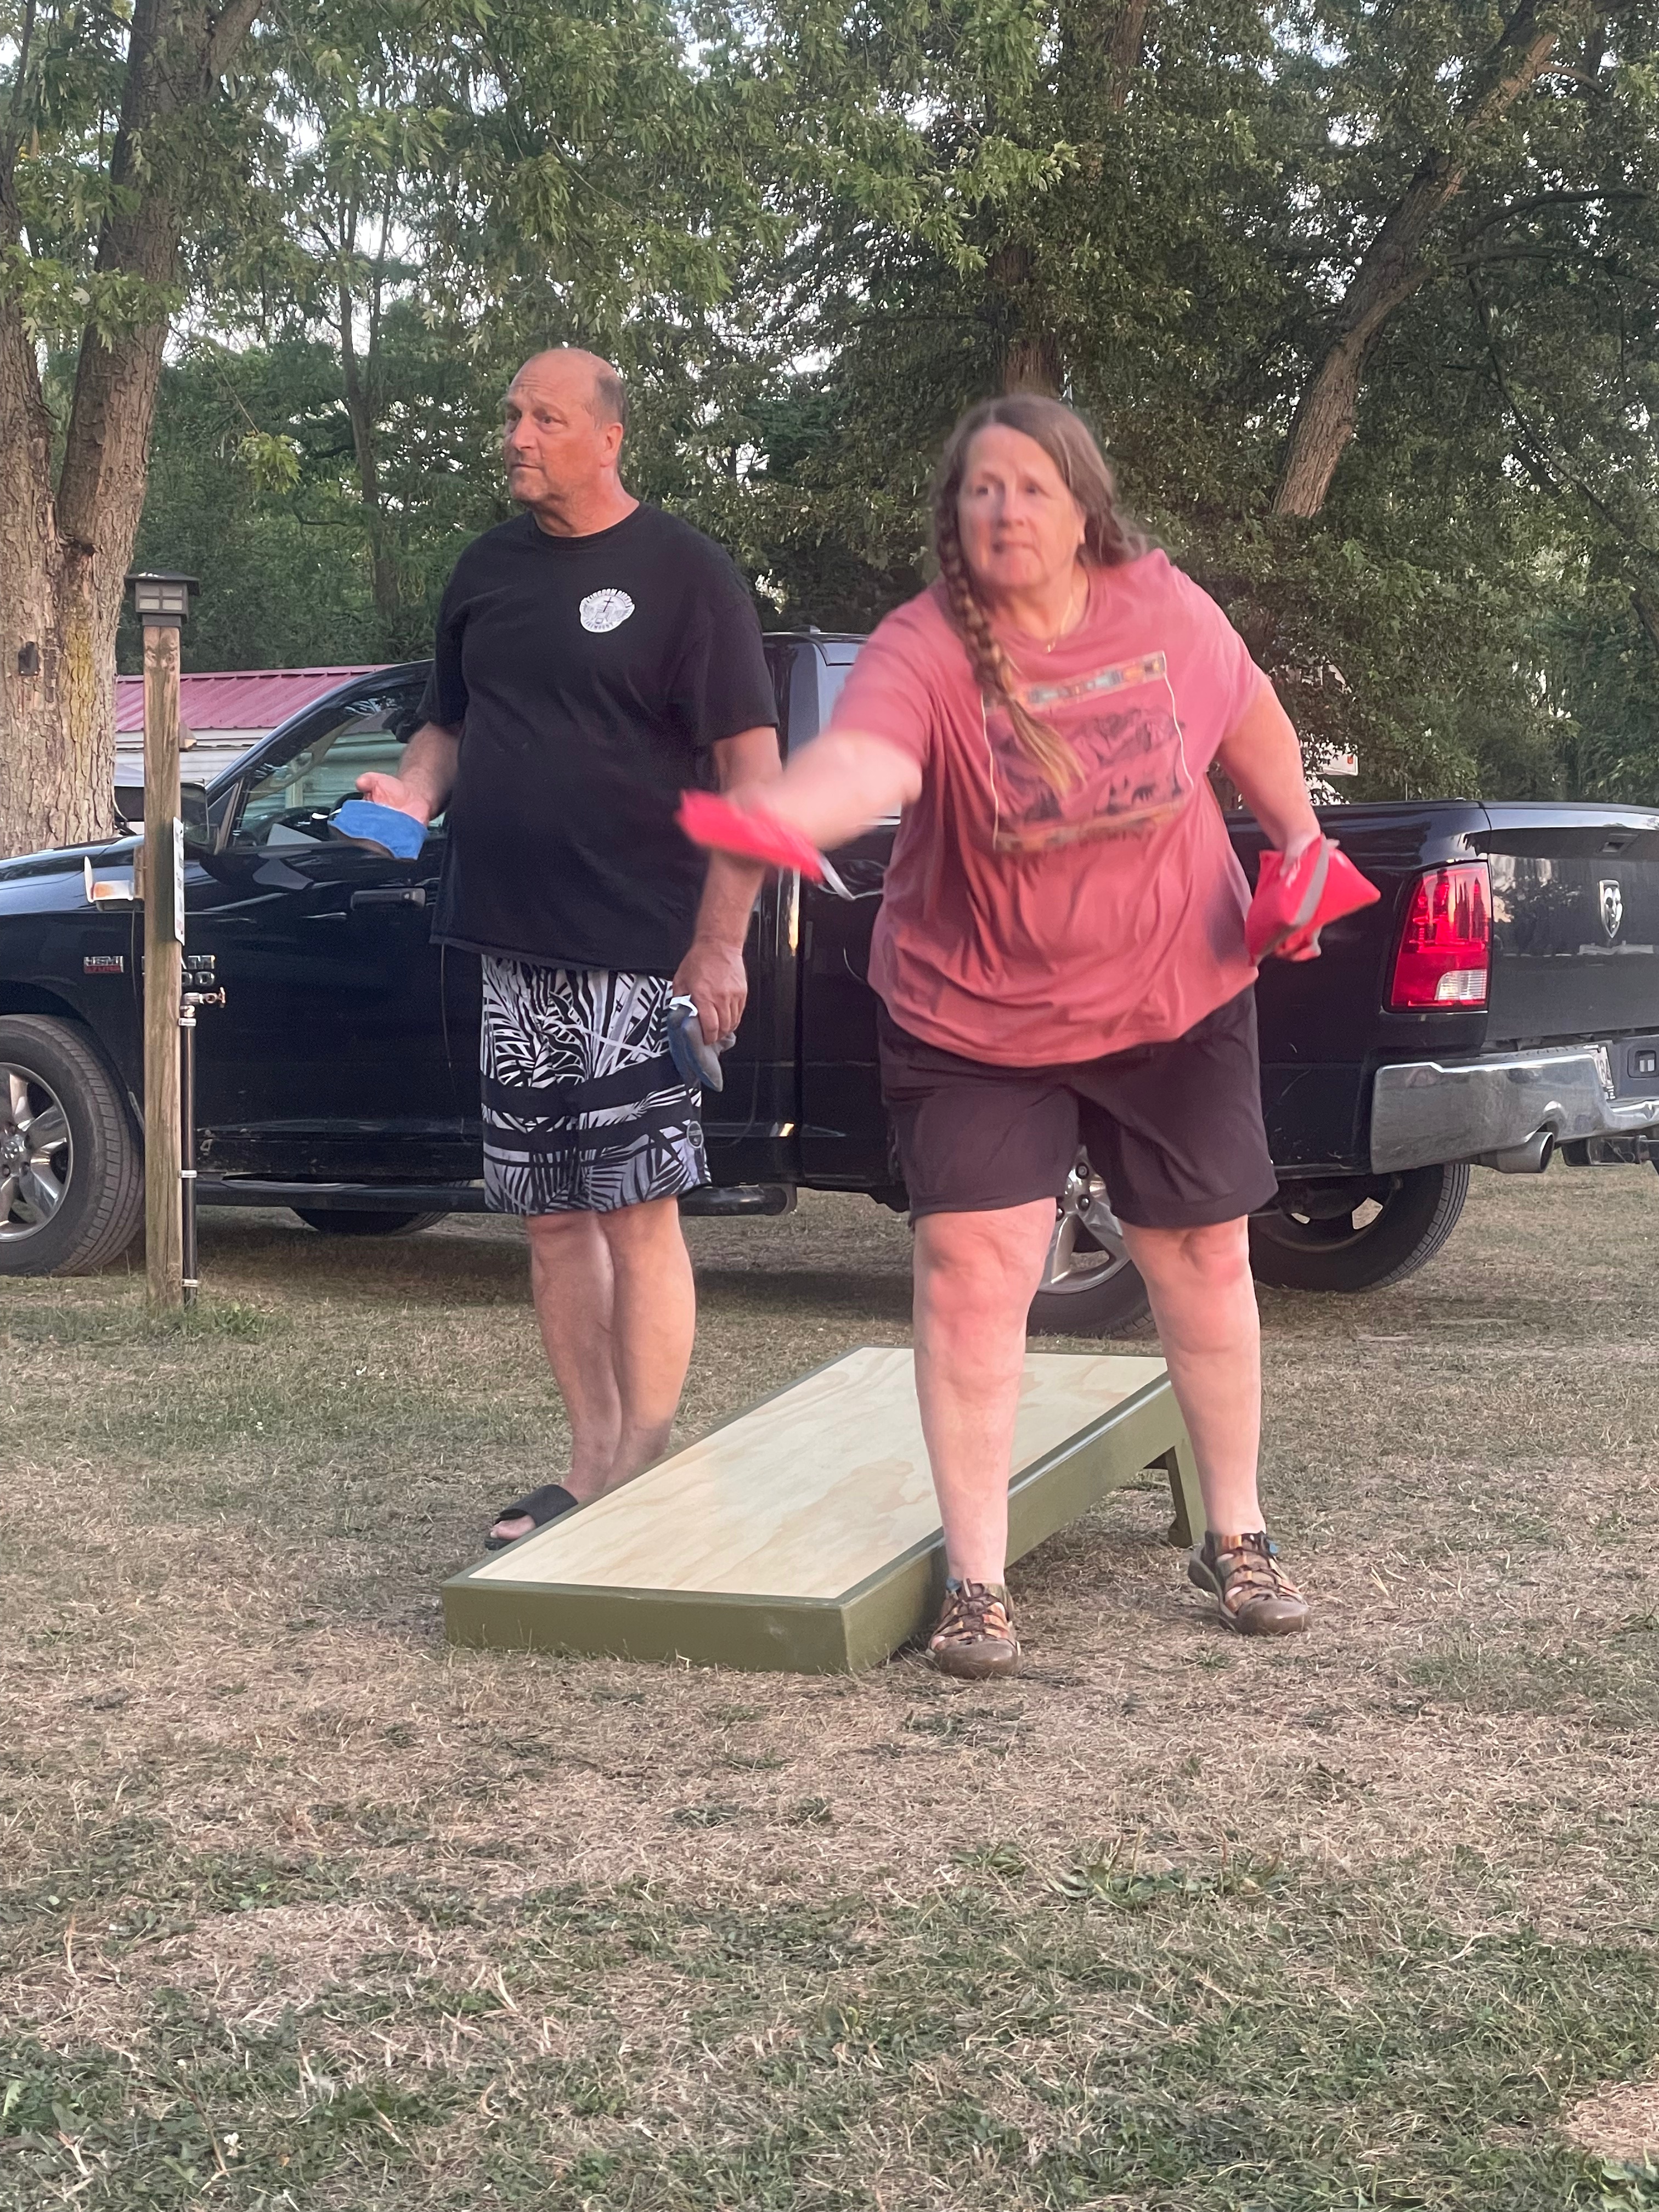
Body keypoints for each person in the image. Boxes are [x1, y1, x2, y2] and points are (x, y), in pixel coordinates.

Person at [698, 394, 1320, 1677]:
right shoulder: (927, 644)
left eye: (1032, 486)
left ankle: (1238, 1536)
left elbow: (1248, 711)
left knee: (1204, 1256)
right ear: (954, 515)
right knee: (976, 1273)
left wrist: (1301, 838)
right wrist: (785, 812)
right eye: (981, 487)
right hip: (976, 1009)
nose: (1006, 508)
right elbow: (871, 763)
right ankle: (976, 1585)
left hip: (1173, 990)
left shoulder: (1162, 608)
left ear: (1084, 508)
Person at [358, 348, 781, 1548]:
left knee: (637, 1208)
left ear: (609, 437)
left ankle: (642, 1461)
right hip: (511, 945)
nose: (517, 436)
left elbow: (753, 778)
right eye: (512, 415)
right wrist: (413, 794)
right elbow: (448, 726)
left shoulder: (687, 575)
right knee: (550, 1216)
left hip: (638, 955)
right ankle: (592, 1463)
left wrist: (720, 946)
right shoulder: (485, 571)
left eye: (545, 418)